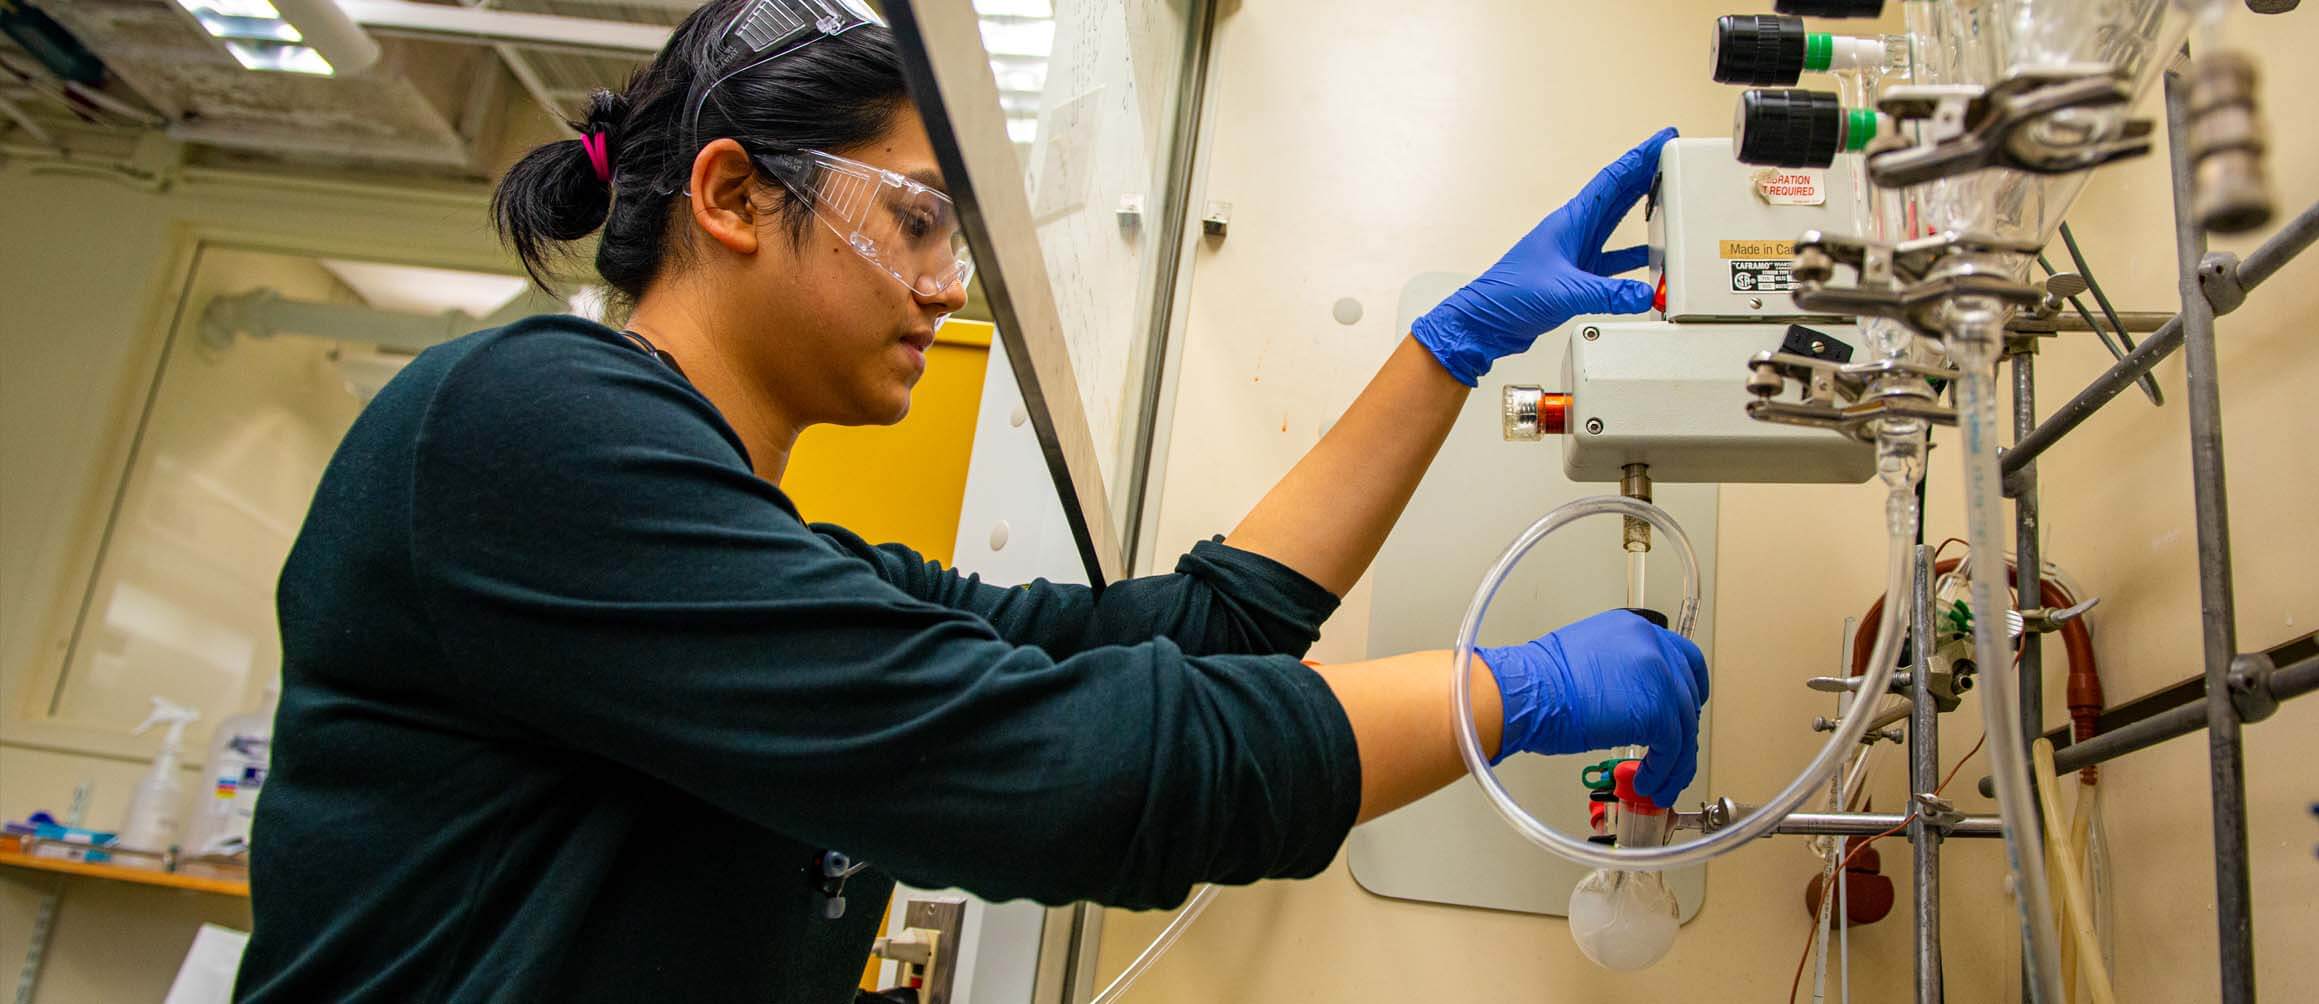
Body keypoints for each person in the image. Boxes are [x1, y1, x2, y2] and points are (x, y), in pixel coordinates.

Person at [235, 1, 1703, 1000]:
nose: (950, 282)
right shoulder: (514, 431)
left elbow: (1193, 635)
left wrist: (1447, 347)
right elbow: (1069, 773)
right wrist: (1508, 693)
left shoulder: (762, 555)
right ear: (735, 199)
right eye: (919, 220)